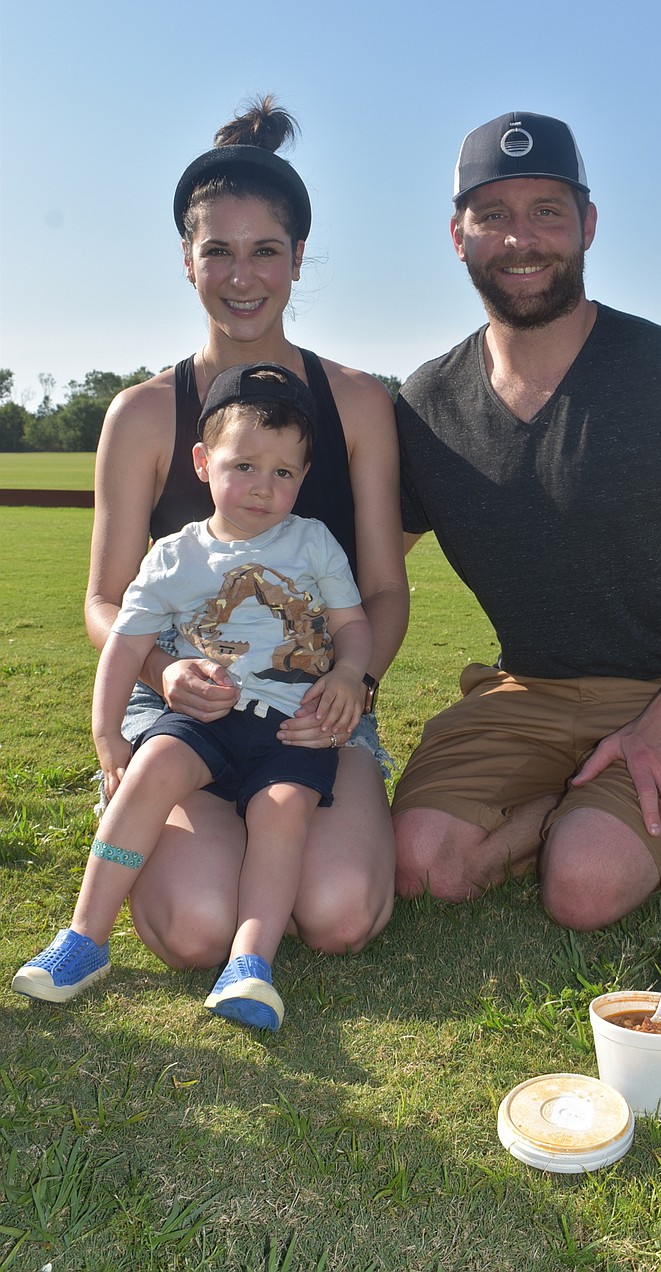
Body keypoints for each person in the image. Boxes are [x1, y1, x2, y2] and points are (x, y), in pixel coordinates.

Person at [392, 111, 661, 931]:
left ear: (587, 224)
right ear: (457, 236)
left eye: (547, 211)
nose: (521, 239)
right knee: (419, 864)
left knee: (582, 888)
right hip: (523, 690)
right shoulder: (427, 404)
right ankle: (609, 798)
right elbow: (364, 569)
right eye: (492, 215)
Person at [82, 96, 408, 970]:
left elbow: (383, 588)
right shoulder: (143, 414)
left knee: (339, 913)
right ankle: (143, 799)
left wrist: (352, 683)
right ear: (186, 260)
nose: (242, 276)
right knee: (196, 928)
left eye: (265, 250)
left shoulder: (357, 403)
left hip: (308, 708)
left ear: (298, 258)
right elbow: (105, 600)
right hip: (182, 710)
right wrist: (162, 671)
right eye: (217, 251)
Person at [14, 364, 372, 1030]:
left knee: (283, 811)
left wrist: (352, 674)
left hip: (292, 723)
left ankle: (250, 965)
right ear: (204, 464)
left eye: (283, 472)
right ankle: (85, 938)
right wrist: (107, 736)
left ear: (303, 477)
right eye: (244, 466)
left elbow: (353, 625)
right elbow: (124, 647)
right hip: (202, 715)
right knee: (151, 768)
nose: (263, 487)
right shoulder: (174, 557)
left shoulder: (313, 542)